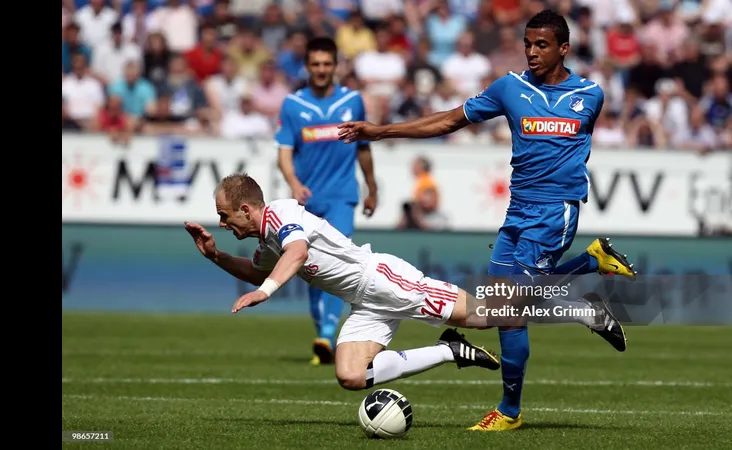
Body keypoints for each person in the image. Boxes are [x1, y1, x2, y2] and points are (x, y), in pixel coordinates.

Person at [337, 10, 636, 431]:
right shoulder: (509, 88)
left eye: (542, 45)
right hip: (517, 210)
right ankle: (590, 268)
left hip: (554, 213)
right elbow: (449, 120)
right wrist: (382, 131)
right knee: (499, 306)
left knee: (510, 310)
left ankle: (510, 411)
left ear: (564, 48)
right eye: (528, 43)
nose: (532, 52)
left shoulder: (590, 95)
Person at [185, 173, 622, 396]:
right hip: (364, 304)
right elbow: (258, 269)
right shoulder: (266, 239)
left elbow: (296, 255)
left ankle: (585, 304)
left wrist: (266, 293)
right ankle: (449, 350)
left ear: (246, 208)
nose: (222, 224)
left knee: (493, 314)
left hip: (383, 281)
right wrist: (217, 256)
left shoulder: (281, 215)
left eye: (224, 217)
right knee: (351, 377)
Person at [275, 36, 379, 366]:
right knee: (308, 267)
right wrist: (294, 183)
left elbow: (364, 148)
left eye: (327, 64)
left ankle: (328, 332)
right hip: (308, 200)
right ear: (307, 67)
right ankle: (322, 333)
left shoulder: (352, 101)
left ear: (336, 66)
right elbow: (284, 152)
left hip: (342, 197)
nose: (321, 70)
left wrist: (371, 187)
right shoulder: (293, 105)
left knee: (340, 259)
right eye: (316, 64)